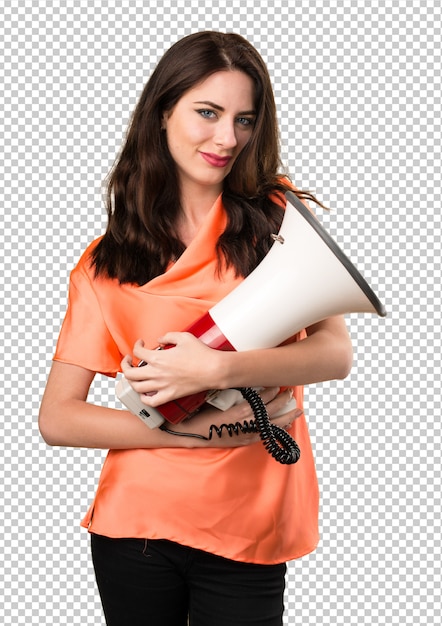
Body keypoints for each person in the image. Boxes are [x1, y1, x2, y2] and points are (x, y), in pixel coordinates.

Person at [39, 31, 353, 626]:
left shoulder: (278, 222)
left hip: (248, 523)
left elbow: (335, 354)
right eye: (206, 113)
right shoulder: (106, 260)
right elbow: (58, 418)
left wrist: (219, 368)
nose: (226, 138)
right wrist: (198, 433)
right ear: (162, 113)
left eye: (244, 120)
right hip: (136, 526)